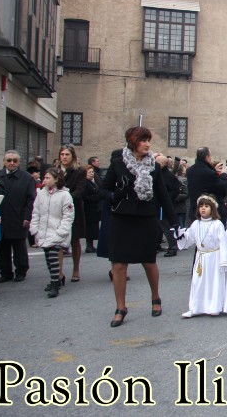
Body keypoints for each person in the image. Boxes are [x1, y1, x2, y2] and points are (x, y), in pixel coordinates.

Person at [103, 127, 177, 327]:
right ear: (133, 141)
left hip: (145, 217)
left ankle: (155, 297)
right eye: (143, 140)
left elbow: (162, 193)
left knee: (148, 261)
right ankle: (120, 307)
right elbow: (104, 189)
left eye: (148, 140)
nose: (147, 144)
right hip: (121, 218)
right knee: (118, 264)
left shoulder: (154, 166)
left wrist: (174, 223)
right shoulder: (118, 164)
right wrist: (116, 194)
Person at [178, 195, 227, 318]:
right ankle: (195, 307)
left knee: (213, 282)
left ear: (212, 209)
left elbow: (223, 243)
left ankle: (214, 307)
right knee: (197, 282)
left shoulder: (217, 224)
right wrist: (181, 235)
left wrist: (224, 260)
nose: (203, 209)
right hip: (201, 257)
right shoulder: (196, 223)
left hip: (213, 257)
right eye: (201, 206)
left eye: (206, 206)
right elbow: (190, 238)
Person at [29, 169, 75, 298]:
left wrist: (61, 232)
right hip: (44, 232)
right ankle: (55, 279)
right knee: (48, 258)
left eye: (48, 177)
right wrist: (35, 230)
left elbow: (68, 216)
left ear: (56, 179)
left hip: (57, 231)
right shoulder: (41, 194)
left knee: (54, 257)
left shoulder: (65, 195)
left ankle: (56, 283)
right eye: (45, 177)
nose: (45, 180)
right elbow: (36, 212)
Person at [0, 150, 36, 283]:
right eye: (9, 160)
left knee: (19, 246)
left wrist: (27, 217)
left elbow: (31, 200)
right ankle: (6, 273)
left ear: (19, 162)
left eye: (15, 160)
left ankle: (21, 271)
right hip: (0, 218)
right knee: (2, 247)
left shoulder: (26, 178)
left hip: (18, 217)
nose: (11, 163)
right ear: (4, 162)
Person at [59, 145, 86, 282]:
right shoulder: (56, 171)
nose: (64, 157)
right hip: (57, 210)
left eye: (67, 155)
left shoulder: (79, 171)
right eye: (62, 154)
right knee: (57, 241)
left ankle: (76, 269)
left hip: (73, 208)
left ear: (73, 156)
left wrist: (64, 198)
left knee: (75, 240)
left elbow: (80, 191)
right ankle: (58, 272)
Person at [186, 147, 227, 227]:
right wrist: (223, 175)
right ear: (207, 157)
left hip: (196, 208)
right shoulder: (209, 173)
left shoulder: (190, 170)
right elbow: (222, 189)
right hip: (210, 211)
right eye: (210, 156)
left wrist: (213, 170)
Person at [82, 163, 105, 254]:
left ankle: (91, 245)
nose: (91, 174)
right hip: (89, 208)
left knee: (93, 227)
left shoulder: (93, 182)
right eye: (89, 172)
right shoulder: (85, 183)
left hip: (95, 208)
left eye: (92, 172)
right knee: (90, 228)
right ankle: (89, 246)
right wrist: (98, 197)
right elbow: (85, 197)